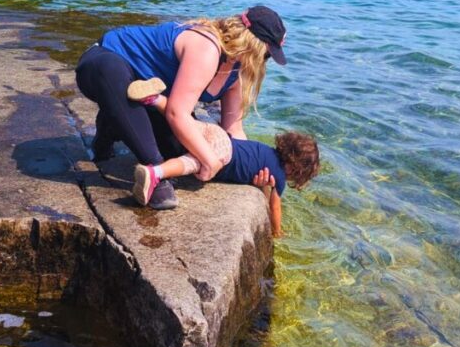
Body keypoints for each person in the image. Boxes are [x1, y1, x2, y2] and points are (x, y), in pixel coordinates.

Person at [74, 6, 287, 210]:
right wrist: (209, 160)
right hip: (104, 63)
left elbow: (234, 130)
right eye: (267, 55)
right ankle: (155, 173)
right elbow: (177, 113)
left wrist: (253, 168)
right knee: (114, 76)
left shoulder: (235, 73)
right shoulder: (208, 48)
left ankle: (113, 124)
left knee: (180, 147)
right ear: (252, 44)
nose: (264, 63)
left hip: (149, 95)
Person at [127, 78, 320, 237]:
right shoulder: (278, 175)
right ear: (294, 169)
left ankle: (155, 99)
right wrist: (277, 232)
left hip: (220, 135)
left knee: (189, 124)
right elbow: (275, 207)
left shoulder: (266, 150)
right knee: (193, 163)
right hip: (223, 153)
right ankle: (157, 172)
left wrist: (262, 186)